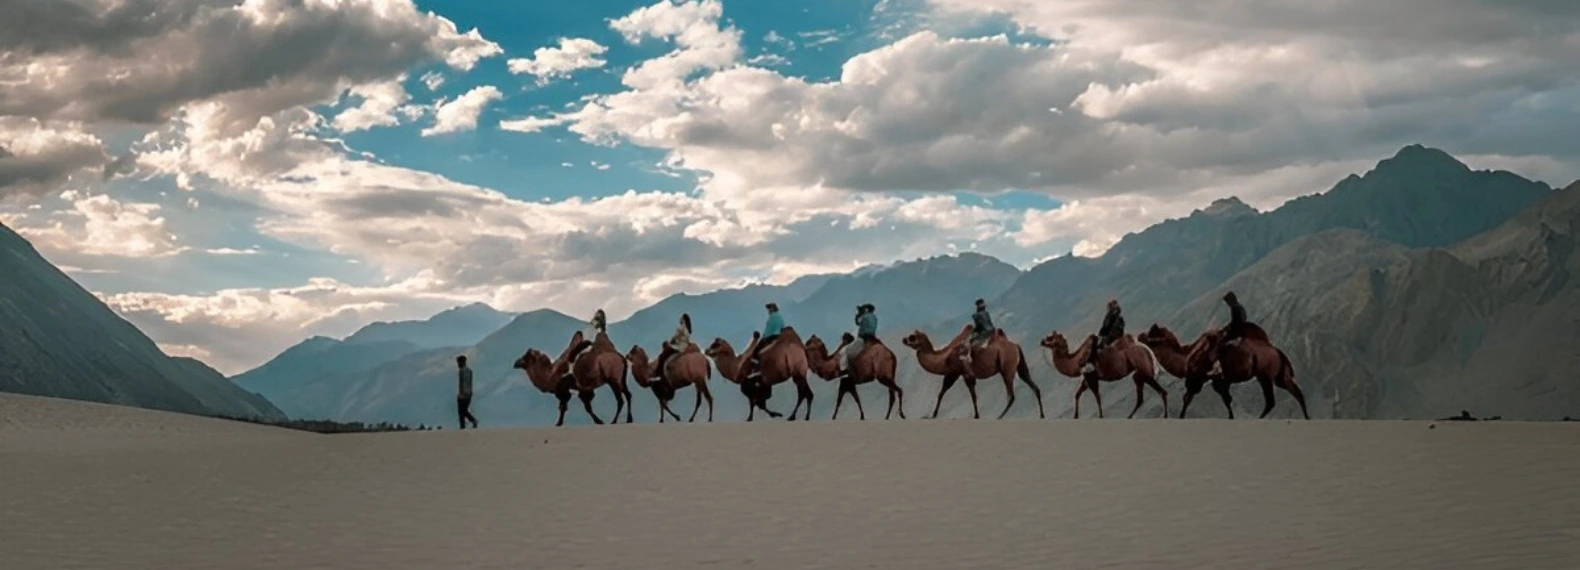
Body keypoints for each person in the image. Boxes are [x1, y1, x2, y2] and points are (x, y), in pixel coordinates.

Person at [741, 303, 784, 383]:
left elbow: (768, 330)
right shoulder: (780, 317)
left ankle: (756, 368)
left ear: (772, 309)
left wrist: (763, 337)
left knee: (756, 351)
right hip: (779, 337)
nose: (768, 310)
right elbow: (782, 327)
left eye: (769, 309)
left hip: (770, 337)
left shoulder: (772, 317)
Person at [1083, 299, 1125, 373]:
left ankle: (1091, 365)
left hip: (1110, 336)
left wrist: (1101, 335)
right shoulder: (1115, 316)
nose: (1108, 307)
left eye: (1110, 306)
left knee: (1095, 346)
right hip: (1111, 335)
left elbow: (1106, 326)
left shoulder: (1112, 316)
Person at [654, 313, 693, 383]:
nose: (680, 319)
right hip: (684, 347)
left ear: (683, 319)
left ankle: (659, 374)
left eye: (681, 318)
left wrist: (669, 343)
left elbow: (675, 338)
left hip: (678, 347)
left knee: (662, 356)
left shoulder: (681, 327)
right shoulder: (688, 328)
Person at [959, 298, 995, 368]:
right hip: (991, 331)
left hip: (982, 333)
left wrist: (973, 332)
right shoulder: (986, 313)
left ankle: (968, 356)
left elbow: (979, 326)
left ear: (977, 306)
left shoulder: (976, 315)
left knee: (967, 341)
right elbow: (990, 323)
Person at [455, 355, 479, 430]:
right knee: (464, 410)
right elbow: (470, 382)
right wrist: (470, 392)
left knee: (461, 411)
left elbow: (461, 383)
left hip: (463, 394)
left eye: (458, 362)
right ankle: (470, 422)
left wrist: (461, 394)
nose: (458, 364)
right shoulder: (469, 371)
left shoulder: (461, 371)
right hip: (469, 393)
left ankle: (464, 425)